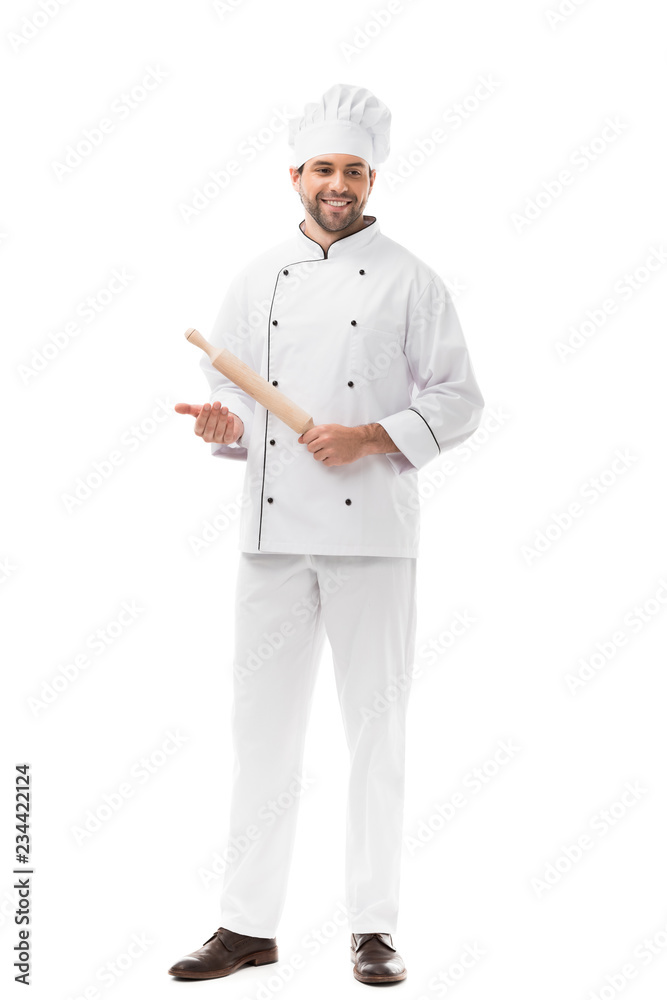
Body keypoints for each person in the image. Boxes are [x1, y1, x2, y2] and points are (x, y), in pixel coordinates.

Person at [169, 83, 484, 986]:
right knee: (259, 733)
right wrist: (223, 425)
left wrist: (371, 434)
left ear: (371, 175)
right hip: (271, 537)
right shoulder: (256, 276)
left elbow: (459, 399)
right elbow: (227, 386)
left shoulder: (411, 279)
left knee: (374, 736)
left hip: (375, 539)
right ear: (295, 176)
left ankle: (374, 928)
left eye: (352, 169)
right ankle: (246, 927)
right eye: (322, 168)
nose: (336, 183)